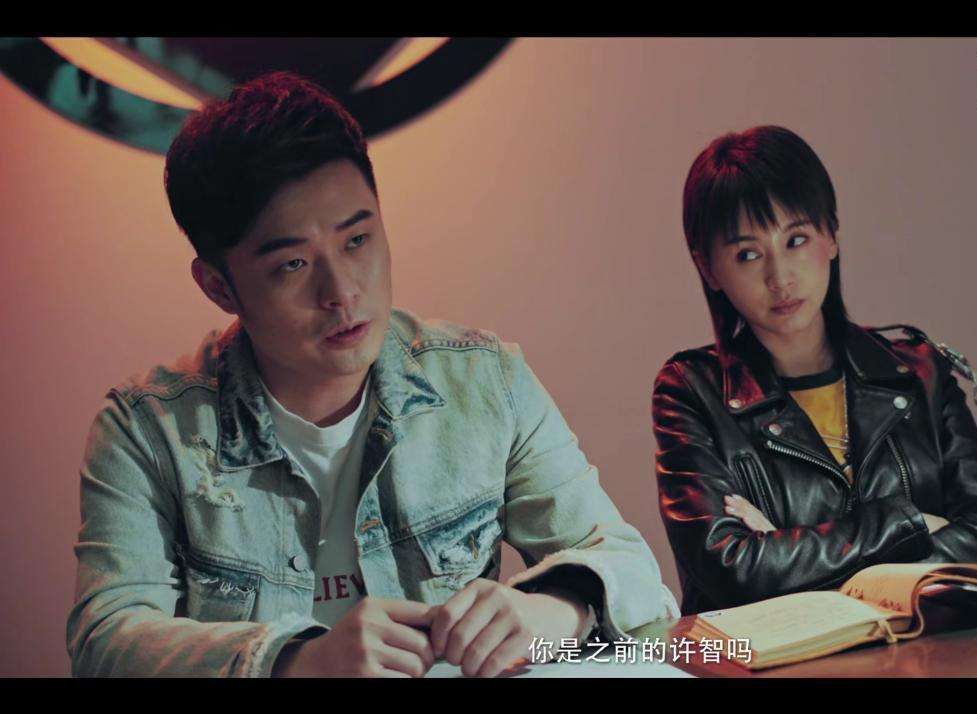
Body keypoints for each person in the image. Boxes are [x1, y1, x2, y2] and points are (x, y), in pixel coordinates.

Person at [66, 72, 678, 677]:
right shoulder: (148, 430)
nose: (342, 291)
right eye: (293, 264)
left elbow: (629, 566)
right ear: (219, 286)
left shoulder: (485, 381)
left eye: (357, 240)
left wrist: (555, 608)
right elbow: (108, 639)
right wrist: (299, 661)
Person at [652, 125, 977, 616]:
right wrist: (909, 522)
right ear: (709, 268)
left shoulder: (920, 374)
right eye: (747, 254)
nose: (780, 277)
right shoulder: (690, 392)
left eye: (796, 239)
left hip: (929, 649)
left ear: (831, 236)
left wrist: (788, 552)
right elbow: (733, 571)